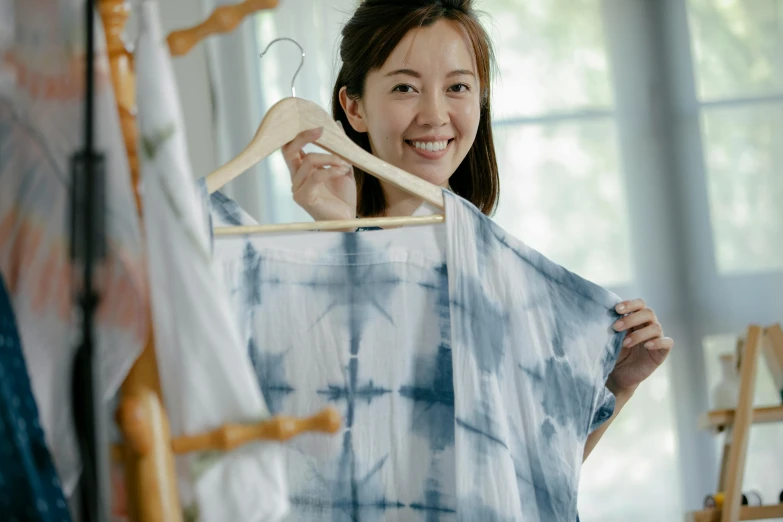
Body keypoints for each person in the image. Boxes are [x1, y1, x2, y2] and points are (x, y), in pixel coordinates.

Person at [279, 0, 673, 514]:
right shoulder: (293, 277)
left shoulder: (504, 278)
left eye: (458, 87)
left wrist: (618, 384)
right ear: (353, 107)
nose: (435, 115)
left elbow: (522, 479)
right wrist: (342, 231)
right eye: (404, 87)